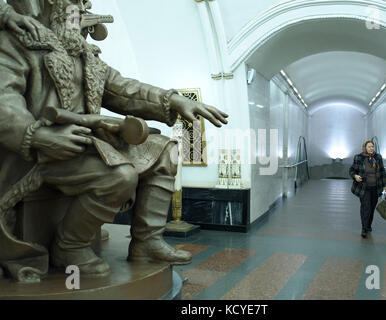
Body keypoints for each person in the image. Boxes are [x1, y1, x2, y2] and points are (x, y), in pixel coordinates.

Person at [0, 0, 228, 279]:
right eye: (73, 8)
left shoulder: (86, 57)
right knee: (119, 175)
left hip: (86, 142)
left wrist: (174, 100)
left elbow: (125, 90)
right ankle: (69, 246)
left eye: (82, 9)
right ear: (52, 9)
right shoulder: (19, 43)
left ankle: (147, 242)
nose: (82, 13)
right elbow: (4, 102)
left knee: (165, 150)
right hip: (36, 151)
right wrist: (37, 135)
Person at [349, 141, 386, 238]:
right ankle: (364, 228)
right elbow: (352, 170)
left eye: (372, 146)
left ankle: (368, 225)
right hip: (364, 188)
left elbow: (382, 171)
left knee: (372, 207)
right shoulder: (359, 157)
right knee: (365, 207)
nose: (371, 148)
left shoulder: (378, 157)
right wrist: (355, 176)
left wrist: (385, 185)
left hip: (376, 188)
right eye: (369, 147)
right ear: (365, 148)